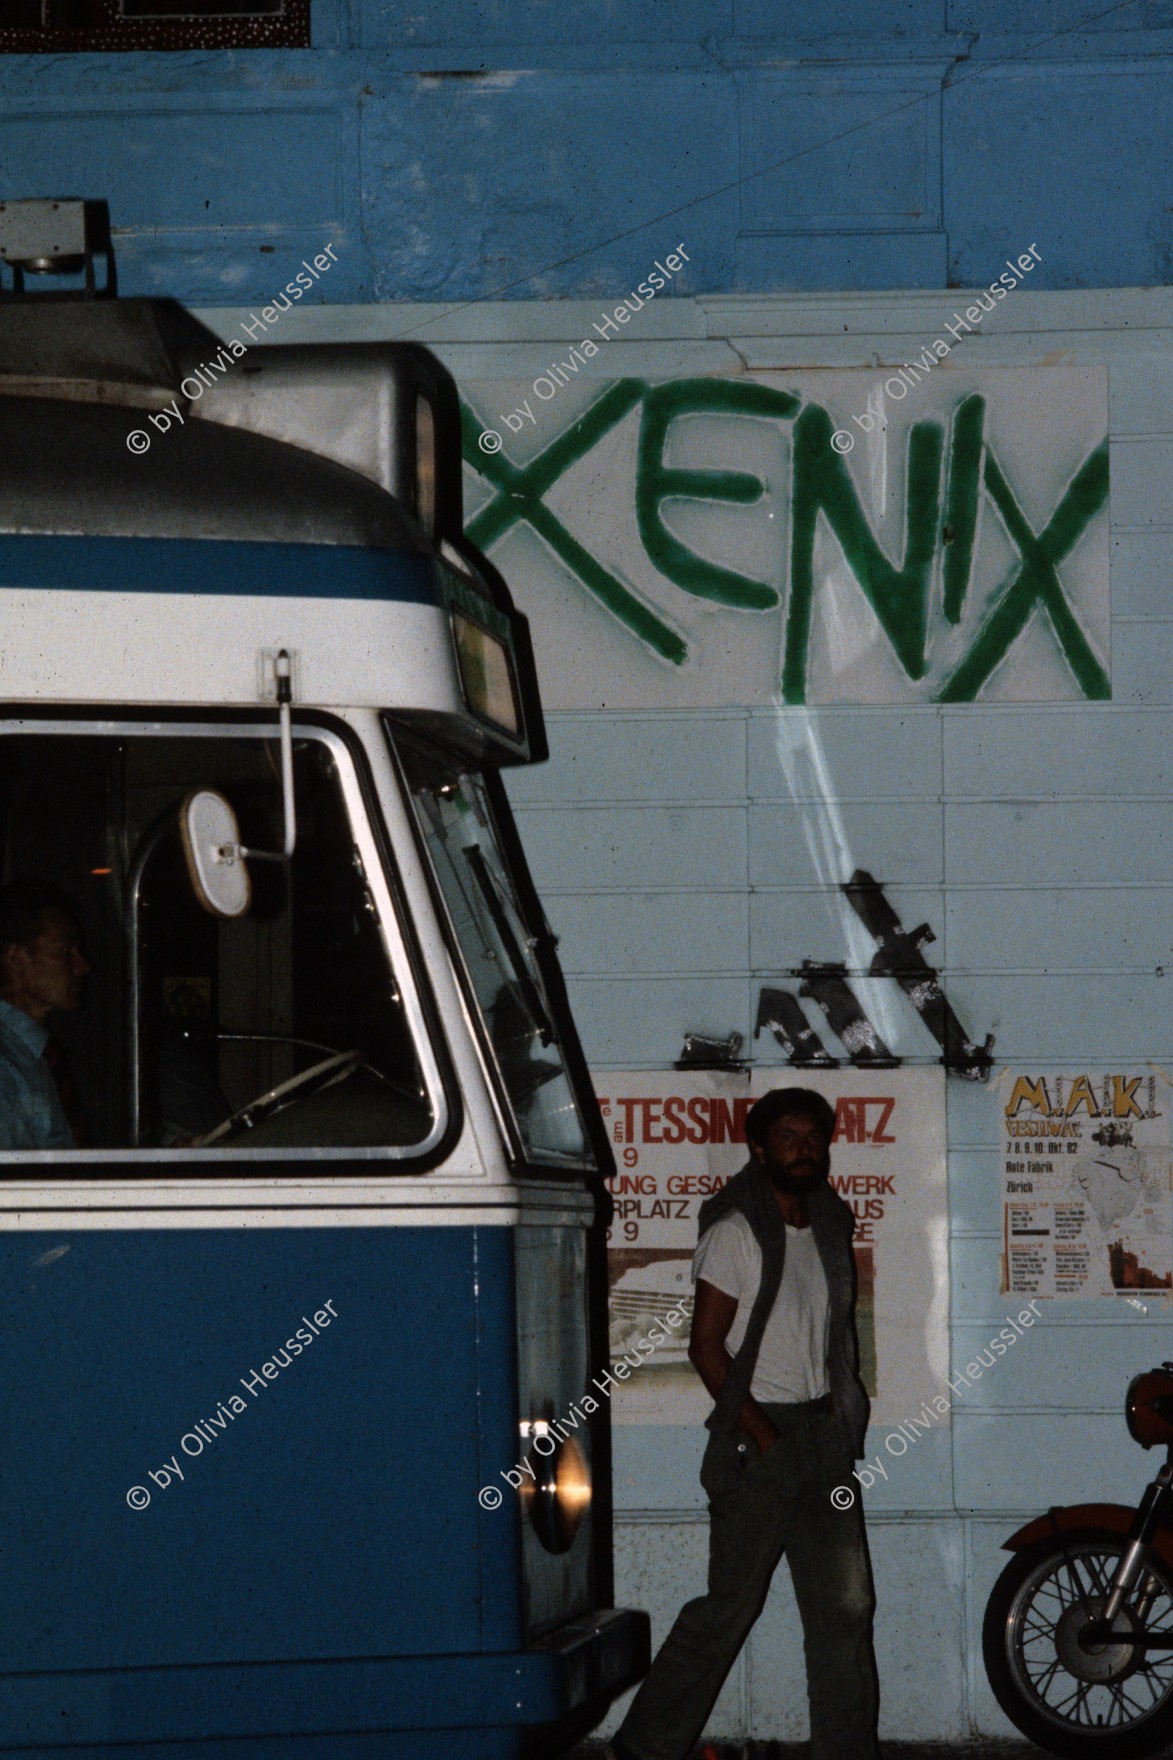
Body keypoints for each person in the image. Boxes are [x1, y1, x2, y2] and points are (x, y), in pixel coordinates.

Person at [607, 1086, 881, 1760]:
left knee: (845, 1612)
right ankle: (641, 1748)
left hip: (824, 1441)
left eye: (813, 1136)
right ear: (758, 1148)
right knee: (726, 1612)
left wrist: (837, 1427)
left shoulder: (828, 1222)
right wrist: (762, 1433)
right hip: (758, 1443)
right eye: (786, 1137)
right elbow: (705, 1348)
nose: (803, 1149)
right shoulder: (733, 1230)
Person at [0, 879, 90, 1150]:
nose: (82, 966)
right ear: (16, 958)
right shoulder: (6, 1065)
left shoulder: (31, 1054)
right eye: (65, 952)